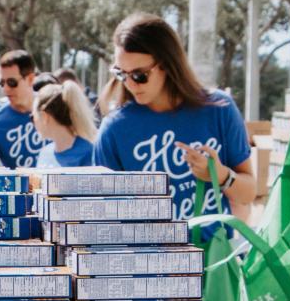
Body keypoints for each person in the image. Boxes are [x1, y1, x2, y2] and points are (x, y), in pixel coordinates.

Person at [93, 14, 255, 219]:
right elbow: (104, 216)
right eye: (121, 74)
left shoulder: (219, 109)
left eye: (139, 75)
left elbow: (248, 193)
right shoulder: (114, 129)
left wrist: (220, 175)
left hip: (214, 250)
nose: (130, 84)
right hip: (147, 251)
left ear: (167, 65)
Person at [32, 80, 97, 169]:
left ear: (45, 116)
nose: (33, 122)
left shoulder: (87, 153)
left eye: (33, 117)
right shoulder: (44, 152)